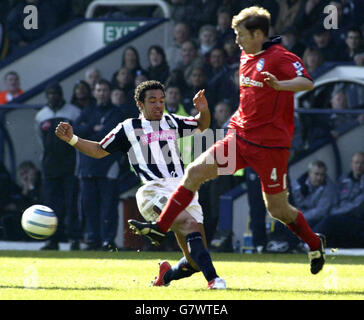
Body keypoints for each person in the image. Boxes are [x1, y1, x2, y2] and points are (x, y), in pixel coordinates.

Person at [129, 6, 327, 275]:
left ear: (258, 33)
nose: (236, 40)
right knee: (195, 172)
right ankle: (160, 228)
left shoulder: (280, 57)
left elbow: (307, 82)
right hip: (239, 136)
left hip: (271, 147)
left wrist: (282, 86)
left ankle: (315, 243)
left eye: (240, 34)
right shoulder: (246, 54)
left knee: (278, 209)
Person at [55, 80, 226, 289]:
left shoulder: (171, 121)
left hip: (183, 189)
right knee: (190, 225)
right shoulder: (128, 128)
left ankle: (165, 276)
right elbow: (99, 150)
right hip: (154, 190)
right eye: (152, 101)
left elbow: (202, 124)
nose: (158, 105)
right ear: (140, 104)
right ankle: (214, 281)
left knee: (195, 260)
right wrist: (72, 139)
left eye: (161, 101)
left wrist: (204, 109)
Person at [73, 79, 126, 251]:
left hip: (108, 167)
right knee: (89, 207)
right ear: (94, 93)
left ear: (109, 92)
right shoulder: (87, 111)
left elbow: (108, 135)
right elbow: (75, 131)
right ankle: (92, 239)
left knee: (108, 207)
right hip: (87, 168)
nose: (102, 93)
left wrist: (91, 131)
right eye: (99, 90)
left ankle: (108, 240)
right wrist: (92, 128)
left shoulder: (116, 113)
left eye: (104, 90)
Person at [35, 82, 82, 250]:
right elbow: (41, 140)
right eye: (50, 94)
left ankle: (74, 239)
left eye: (56, 93)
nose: (53, 96)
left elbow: (79, 138)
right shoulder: (41, 116)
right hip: (50, 167)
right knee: (51, 206)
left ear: (61, 94)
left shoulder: (73, 112)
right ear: (46, 96)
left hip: (70, 166)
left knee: (71, 204)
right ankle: (52, 240)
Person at [268, 160, 336, 252]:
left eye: (322, 175)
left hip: (314, 221)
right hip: (297, 218)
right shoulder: (297, 184)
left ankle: (296, 245)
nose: (319, 178)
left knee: (324, 223)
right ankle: (284, 244)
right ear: (309, 173)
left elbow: (320, 212)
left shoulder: (329, 188)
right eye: (316, 174)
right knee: (280, 223)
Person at [314, 152, 364, 247]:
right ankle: (294, 242)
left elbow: (357, 206)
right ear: (351, 164)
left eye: (362, 163)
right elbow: (334, 198)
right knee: (315, 220)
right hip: (337, 216)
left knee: (330, 221)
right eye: (356, 162)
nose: (359, 166)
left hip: (355, 219)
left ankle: (308, 244)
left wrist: (334, 213)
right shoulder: (343, 179)